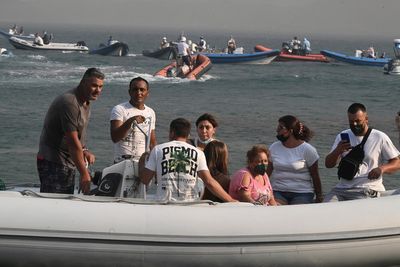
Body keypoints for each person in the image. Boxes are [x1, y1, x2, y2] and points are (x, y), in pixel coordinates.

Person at [37, 68, 105, 194]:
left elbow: (78, 135)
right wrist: (84, 174)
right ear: (83, 82)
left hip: (68, 162)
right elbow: (72, 142)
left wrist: (84, 150)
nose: (98, 91)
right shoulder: (70, 103)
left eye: (101, 87)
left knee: (65, 201)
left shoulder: (85, 102)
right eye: (94, 85)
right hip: (53, 161)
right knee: (55, 205)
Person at [139, 118, 236, 202]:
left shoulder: (157, 150)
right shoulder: (198, 153)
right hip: (190, 203)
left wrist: (142, 160)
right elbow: (209, 182)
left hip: (164, 202)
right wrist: (230, 200)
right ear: (188, 135)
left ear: (171, 132)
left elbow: (145, 179)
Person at [324, 103, 400, 202]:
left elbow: (397, 162)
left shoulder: (379, 137)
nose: (355, 124)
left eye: (358, 121)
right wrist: (338, 150)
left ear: (366, 119)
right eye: (351, 122)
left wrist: (381, 169)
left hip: (367, 188)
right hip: (342, 189)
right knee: (326, 205)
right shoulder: (342, 136)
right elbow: (328, 164)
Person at [267, 115, 323, 204]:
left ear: (290, 131)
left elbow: (315, 176)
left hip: (302, 193)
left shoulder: (308, 150)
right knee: (275, 209)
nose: (277, 130)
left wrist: (319, 197)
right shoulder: (274, 147)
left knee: (296, 212)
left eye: (281, 127)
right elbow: (267, 173)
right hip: (278, 191)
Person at [110, 77, 156, 163]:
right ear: (129, 92)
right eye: (135, 89)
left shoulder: (150, 112)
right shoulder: (119, 109)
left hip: (142, 163)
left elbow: (152, 142)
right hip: (122, 161)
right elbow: (115, 137)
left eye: (142, 90)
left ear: (147, 93)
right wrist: (130, 121)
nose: (139, 93)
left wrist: (155, 163)